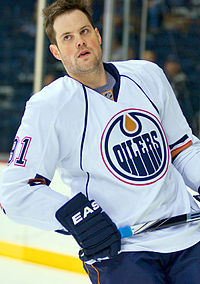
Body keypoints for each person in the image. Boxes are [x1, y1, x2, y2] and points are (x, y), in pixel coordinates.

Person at [0, 1, 200, 283]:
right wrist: (79, 218)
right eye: (67, 38)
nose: (79, 42)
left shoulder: (147, 75)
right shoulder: (48, 107)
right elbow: (16, 193)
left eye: (84, 32)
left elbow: (182, 148)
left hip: (188, 234)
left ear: (98, 35)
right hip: (120, 251)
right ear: (56, 52)